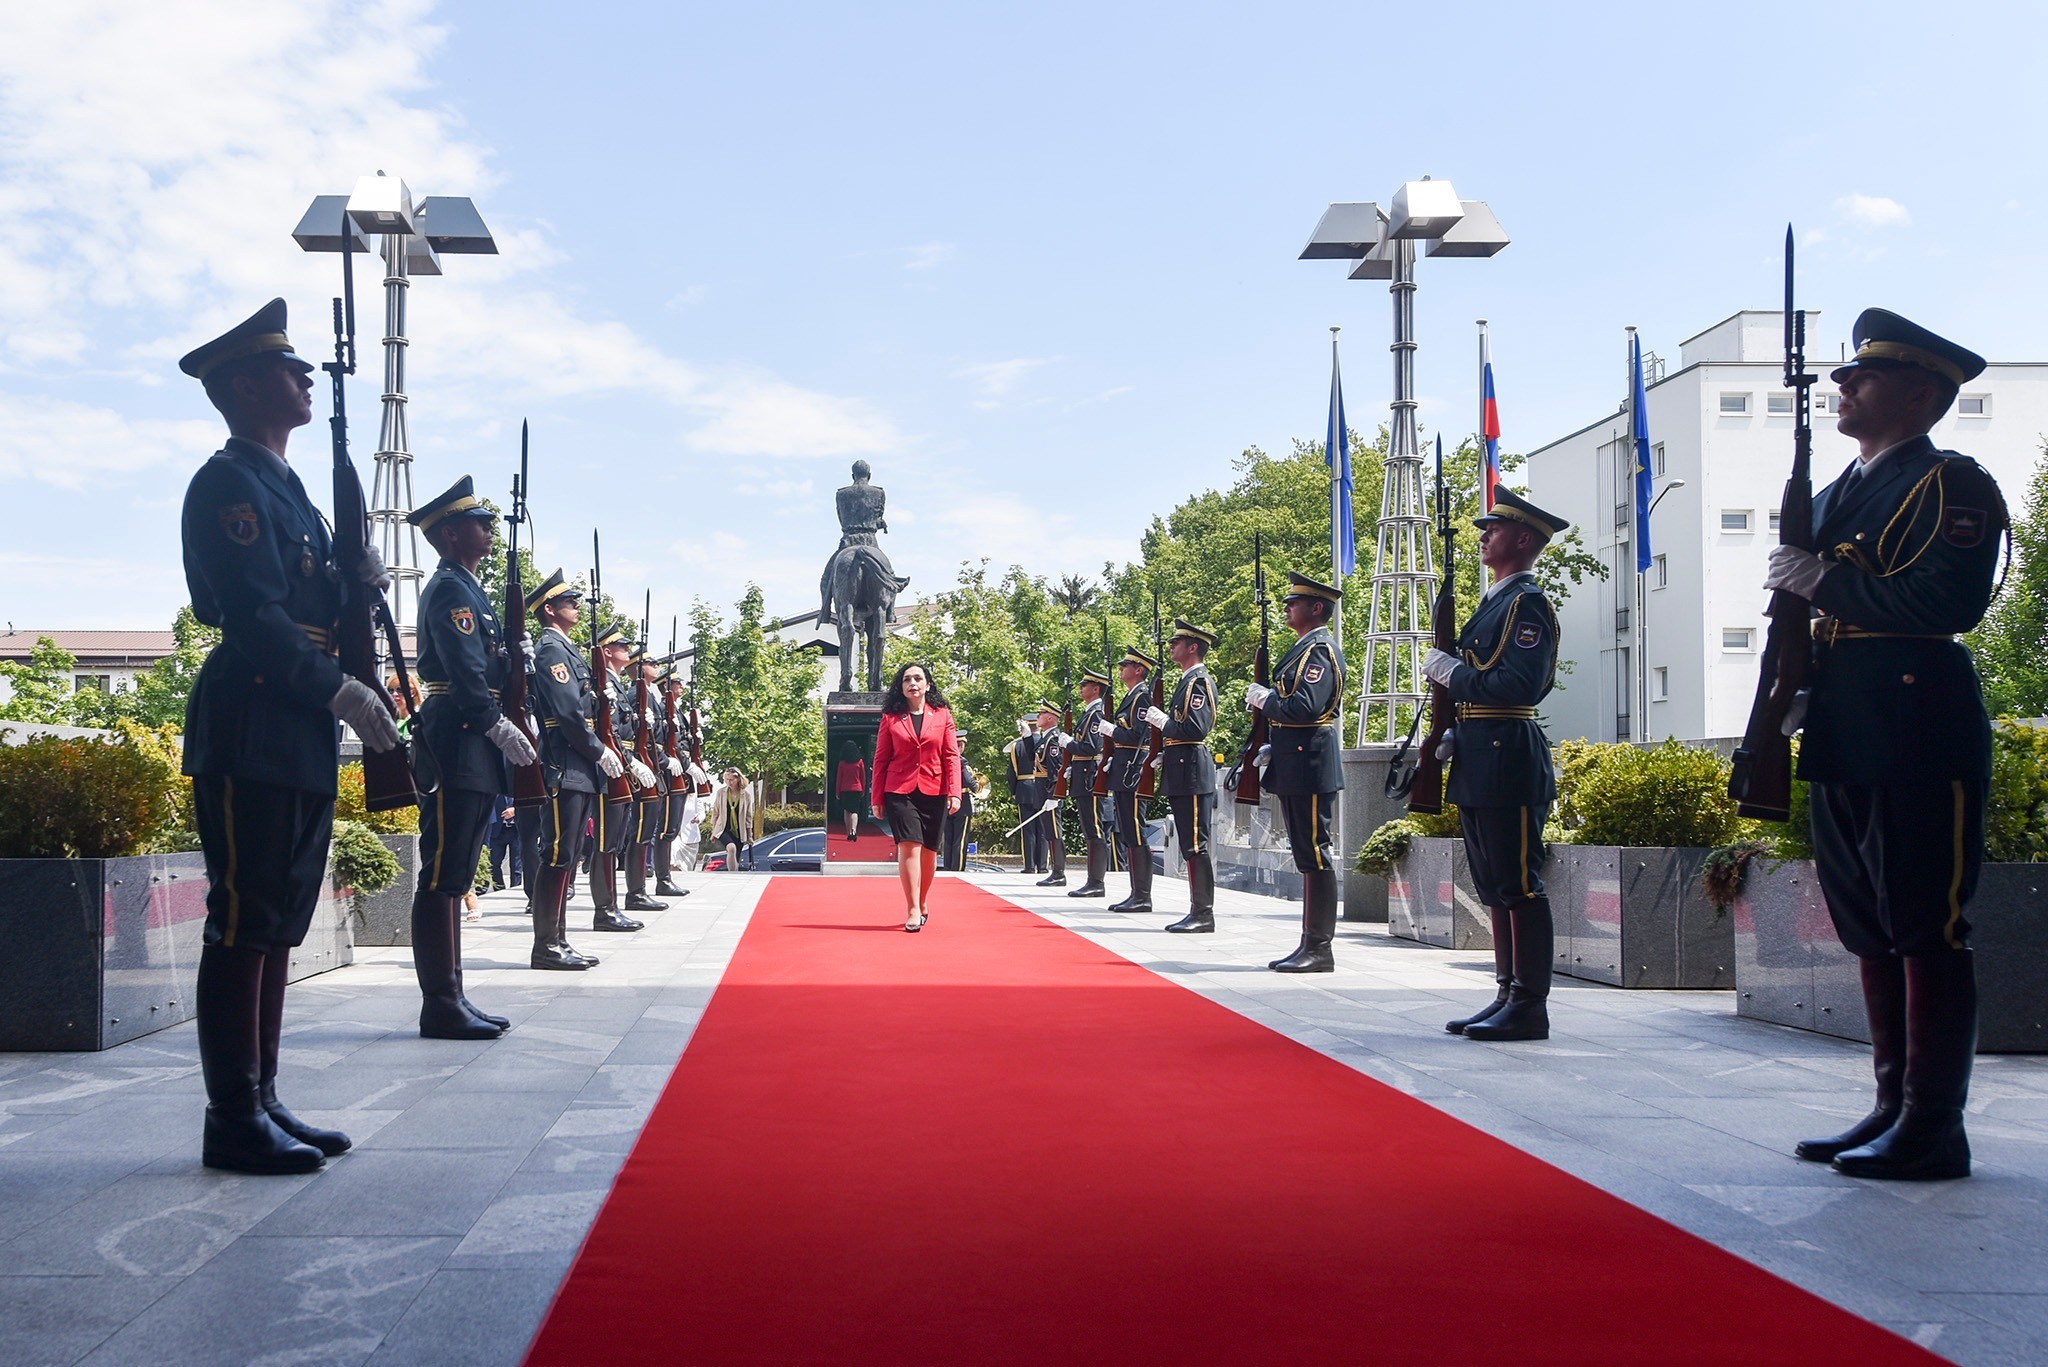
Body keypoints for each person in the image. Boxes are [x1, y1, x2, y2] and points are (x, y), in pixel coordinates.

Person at [1761, 310, 2007, 1182]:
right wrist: (1790, 693)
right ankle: (1891, 1101)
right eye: (1845, 375)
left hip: (1915, 720)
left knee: (1925, 926)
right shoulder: (1832, 494)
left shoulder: (1953, 485)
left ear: (1921, 393)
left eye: (1866, 376)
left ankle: (1936, 1123)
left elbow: (1943, 606)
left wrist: (1824, 578)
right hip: (1843, 719)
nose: (1843, 385)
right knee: (1868, 924)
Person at [177, 297, 401, 1173]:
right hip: (254, 717)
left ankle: (264, 1096)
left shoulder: (289, 489)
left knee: (276, 921)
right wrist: (339, 686)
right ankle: (231, 1113)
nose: (305, 375)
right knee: (240, 921)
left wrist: (362, 583)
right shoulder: (230, 483)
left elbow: (314, 597)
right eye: (286, 364)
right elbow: (250, 615)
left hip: (296, 720)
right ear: (242, 384)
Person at [1421, 490, 1567, 1038]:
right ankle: (1507, 992)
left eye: (1495, 529)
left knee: (1519, 885)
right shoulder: (1496, 602)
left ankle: (1530, 1004)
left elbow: (1519, 684)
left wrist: (1452, 674)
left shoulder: (1526, 604)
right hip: (1481, 752)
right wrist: (1454, 726)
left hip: (1509, 756)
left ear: (1524, 540)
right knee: (1493, 884)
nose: (1484, 535)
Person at [405, 476, 538, 1040]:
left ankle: (453, 992)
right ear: (451, 533)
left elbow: (481, 661)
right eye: (480, 523)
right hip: (458, 737)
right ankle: (440, 1000)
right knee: (442, 871)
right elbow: (462, 673)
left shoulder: (469, 588)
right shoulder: (453, 591)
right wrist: (495, 723)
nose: (490, 530)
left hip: (469, 740)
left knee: (457, 869)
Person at [1245, 574, 1346, 971]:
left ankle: (1320, 947)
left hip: (1312, 762)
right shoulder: (1303, 650)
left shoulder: (1320, 650)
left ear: (1317, 608)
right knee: (1306, 853)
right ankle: (1310, 943)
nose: (1287, 607)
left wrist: (1268, 700)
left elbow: (1305, 707)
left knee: (1315, 853)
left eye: (1295, 602)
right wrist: (1276, 740)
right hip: (1298, 758)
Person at [526, 569, 616, 971]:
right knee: (559, 853)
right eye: (570, 602)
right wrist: (598, 750)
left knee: (569, 853)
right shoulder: (550, 649)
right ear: (550, 610)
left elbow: (580, 704)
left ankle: (559, 939)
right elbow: (565, 712)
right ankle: (546, 945)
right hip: (565, 762)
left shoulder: (568, 649)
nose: (577, 607)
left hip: (578, 764)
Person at [871, 662, 962, 930]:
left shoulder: (943, 715)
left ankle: (922, 901)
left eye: (918, 678)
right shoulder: (890, 718)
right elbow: (881, 759)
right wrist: (877, 798)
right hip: (900, 790)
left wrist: (955, 792)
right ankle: (911, 908)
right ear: (901, 688)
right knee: (909, 846)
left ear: (927, 685)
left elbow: (951, 756)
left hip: (935, 790)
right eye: (907, 679)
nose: (913, 683)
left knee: (930, 852)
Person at [588, 628, 655, 931]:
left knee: (613, 841)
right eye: (619, 645)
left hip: (623, 764)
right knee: (605, 842)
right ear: (605, 651)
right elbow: (608, 730)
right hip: (610, 768)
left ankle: (612, 906)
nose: (626, 648)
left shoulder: (614, 683)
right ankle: (604, 909)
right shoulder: (604, 683)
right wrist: (630, 761)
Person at [1154, 621, 1219, 933]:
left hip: (1192, 768)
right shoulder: (1186, 681)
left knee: (1196, 844)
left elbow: (1195, 729)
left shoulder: (1199, 682)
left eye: (1177, 641)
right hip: (1181, 765)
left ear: (1193, 647)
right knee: (1190, 845)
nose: (1171, 646)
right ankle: (1197, 910)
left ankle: (1203, 913)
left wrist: (1165, 724)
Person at [618, 647, 675, 916]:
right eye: (652, 662)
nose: (657, 665)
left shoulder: (649, 696)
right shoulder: (633, 695)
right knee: (640, 833)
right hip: (641, 764)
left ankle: (640, 890)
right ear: (639, 668)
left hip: (653, 764)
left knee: (647, 831)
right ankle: (635, 892)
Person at [1102, 647, 1159, 913]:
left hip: (1134, 770)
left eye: (1126, 665)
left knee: (1135, 830)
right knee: (1127, 831)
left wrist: (1112, 731)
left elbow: (1140, 735)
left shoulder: (1142, 698)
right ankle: (1136, 893)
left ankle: (1143, 896)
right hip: (1124, 768)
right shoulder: (1131, 697)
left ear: (1139, 670)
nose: (1121, 669)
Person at [1030, 702, 1069, 887]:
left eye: (1042, 713)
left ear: (1050, 718)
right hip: (1043, 792)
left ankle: (1058, 873)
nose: (1038, 716)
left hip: (1049, 793)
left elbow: (1056, 771)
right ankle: (1056, 871)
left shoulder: (1053, 740)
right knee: (1049, 833)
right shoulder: (1045, 738)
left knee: (1054, 833)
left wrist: (1054, 796)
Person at [1004, 718, 1045, 873]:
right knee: (1042, 829)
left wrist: (1014, 791)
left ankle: (1029, 866)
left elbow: (1011, 773)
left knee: (1028, 829)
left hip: (1024, 788)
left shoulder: (1017, 746)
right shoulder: (1045, 741)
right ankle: (1042, 866)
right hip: (1042, 789)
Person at [705, 768, 754, 870]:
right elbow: (716, 813)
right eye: (727, 779)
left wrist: (750, 836)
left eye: (731, 780)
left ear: (738, 779)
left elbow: (748, 817)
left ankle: (734, 876)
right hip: (723, 828)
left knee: (736, 857)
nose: (729, 782)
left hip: (739, 830)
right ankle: (731, 874)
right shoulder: (721, 793)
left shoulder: (746, 795)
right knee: (731, 848)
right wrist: (713, 831)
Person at [942, 751, 979, 871]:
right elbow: (969, 781)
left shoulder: (942, 759)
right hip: (962, 803)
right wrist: (977, 786)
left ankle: (947, 865)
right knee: (960, 838)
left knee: (948, 837)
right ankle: (957, 867)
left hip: (946, 801)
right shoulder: (962, 761)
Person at [834, 742, 869, 842]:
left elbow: (839, 779)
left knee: (847, 811)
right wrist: (863, 790)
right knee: (855, 811)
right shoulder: (860, 762)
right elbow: (863, 777)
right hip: (857, 789)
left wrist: (837, 792)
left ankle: (848, 832)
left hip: (845, 789)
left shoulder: (842, 763)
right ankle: (854, 830)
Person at [486, 796, 519, 891]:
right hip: (497, 830)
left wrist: (515, 810)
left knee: (516, 866)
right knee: (493, 863)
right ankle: (499, 889)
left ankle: (514, 890)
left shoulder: (520, 784)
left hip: (516, 830)